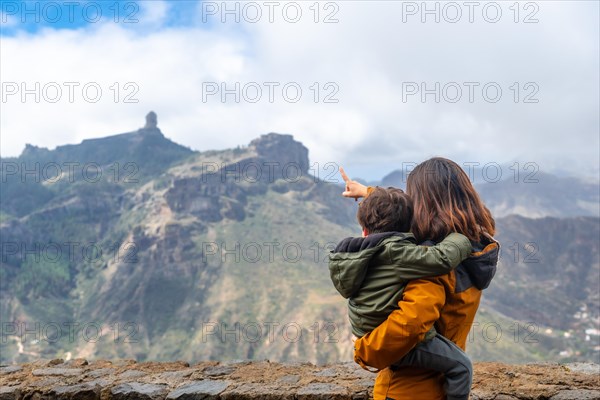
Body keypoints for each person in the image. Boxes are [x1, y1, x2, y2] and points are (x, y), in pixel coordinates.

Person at [339, 158, 500, 400]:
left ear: (423, 205)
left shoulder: (429, 263)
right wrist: (368, 192)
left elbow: (409, 325)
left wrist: (363, 350)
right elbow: (410, 211)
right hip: (443, 384)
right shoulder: (473, 245)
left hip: (407, 390)